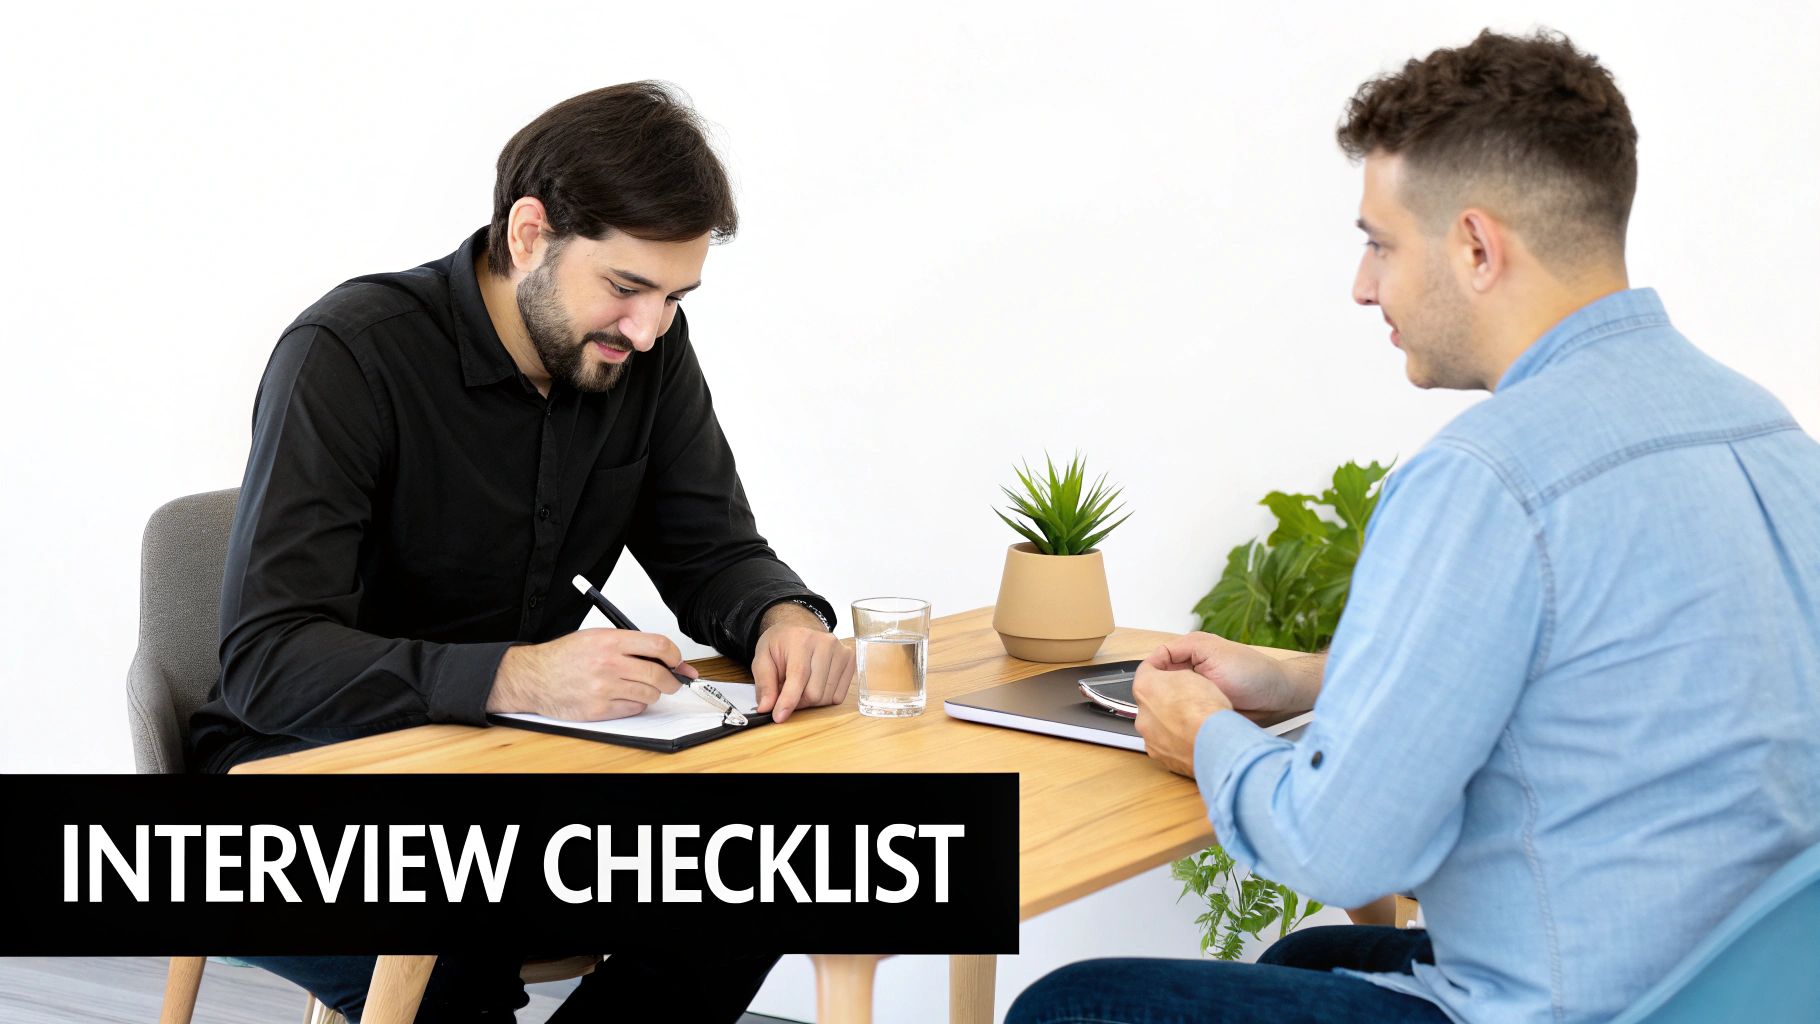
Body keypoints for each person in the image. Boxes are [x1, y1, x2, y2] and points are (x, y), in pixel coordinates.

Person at [1010, 28, 1820, 1024]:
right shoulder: (1761, 430)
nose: (1362, 286)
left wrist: (1207, 735)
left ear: (1475, 246)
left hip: (1575, 1009)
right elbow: (1624, 682)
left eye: (1378, 243)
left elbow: (1339, 846)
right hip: (1734, 987)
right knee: (1312, 958)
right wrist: (1305, 679)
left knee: (1075, 1006)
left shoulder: (1490, 478)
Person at [190, 82, 852, 1022]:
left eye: (675, 296)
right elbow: (267, 660)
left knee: (782, 866)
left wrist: (783, 616)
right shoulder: (349, 353)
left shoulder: (646, 352)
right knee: (455, 960)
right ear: (530, 234)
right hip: (297, 776)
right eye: (626, 288)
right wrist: (519, 678)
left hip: (503, 772)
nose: (649, 327)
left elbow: (713, 548)